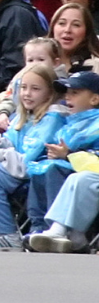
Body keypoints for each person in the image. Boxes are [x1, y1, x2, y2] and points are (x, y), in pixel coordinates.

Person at [0, 63, 64, 250]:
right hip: (15, 167)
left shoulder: (52, 119)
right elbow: (12, 142)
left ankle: (8, 233)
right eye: (23, 88)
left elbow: (30, 156)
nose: (27, 93)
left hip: (33, 171)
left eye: (35, 89)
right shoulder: (22, 116)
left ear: (49, 93)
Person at [25, 71, 99, 252]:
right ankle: (39, 227)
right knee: (41, 168)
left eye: (75, 93)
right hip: (78, 172)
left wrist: (68, 155)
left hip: (88, 174)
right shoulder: (69, 124)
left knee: (63, 172)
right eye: (66, 92)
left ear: (94, 99)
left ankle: (64, 232)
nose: (67, 97)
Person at [48, 2, 99, 74]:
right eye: (62, 23)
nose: (67, 30)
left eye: (76, 25)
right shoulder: (37, 59)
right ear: (53, 27)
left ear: (87, 31)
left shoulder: (95, 66)